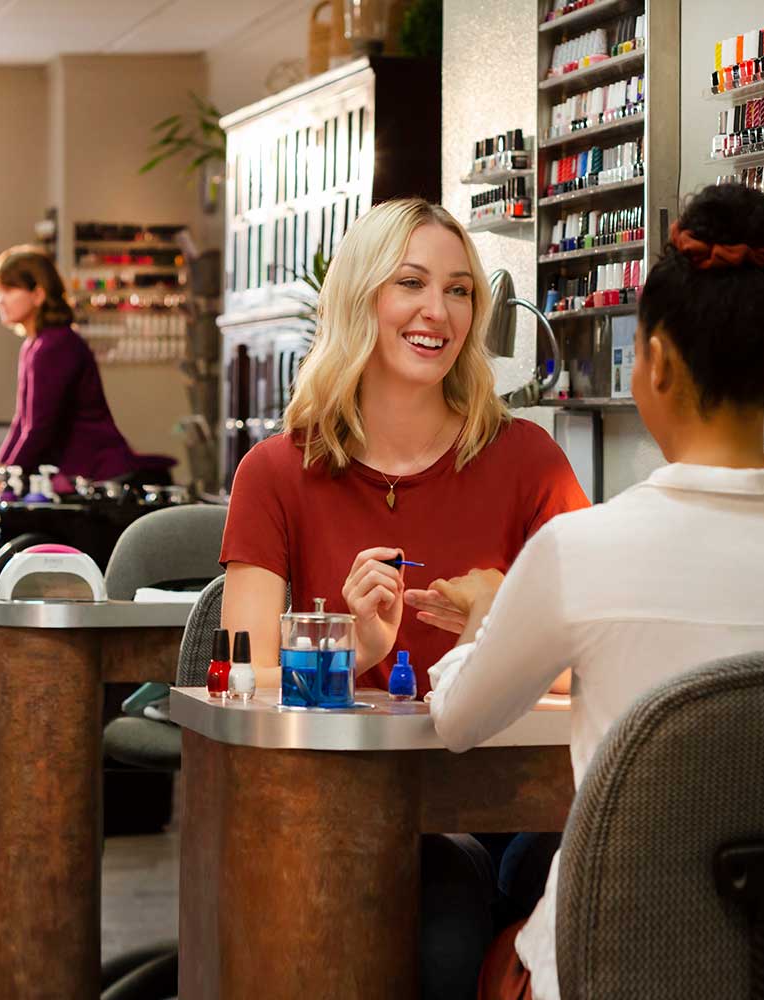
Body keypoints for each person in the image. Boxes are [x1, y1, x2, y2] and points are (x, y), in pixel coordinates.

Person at [423, 184, 764, 1000]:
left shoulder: (579, 551)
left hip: (613, 970)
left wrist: (481, 625)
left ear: (652, 362)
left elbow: (456, 722)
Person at [218, 197, 590, 999]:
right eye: (411, 283)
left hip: (512, 809)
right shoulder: (277, 472)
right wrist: (352, 649)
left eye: (459, 291)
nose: (438, 311)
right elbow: (243, 678)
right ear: (362, 300)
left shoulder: (528, 461)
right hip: (345, 821)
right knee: (436, 927)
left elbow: (600, 660)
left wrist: (502, 633)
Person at [0, 245, 175, 487]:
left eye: (8, 289)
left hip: (95, 472)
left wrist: (5, 480)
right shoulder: (35, 345)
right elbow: (22, 422)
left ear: (38, 294)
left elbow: (38, 428)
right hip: (79, 472)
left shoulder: (55, 344)